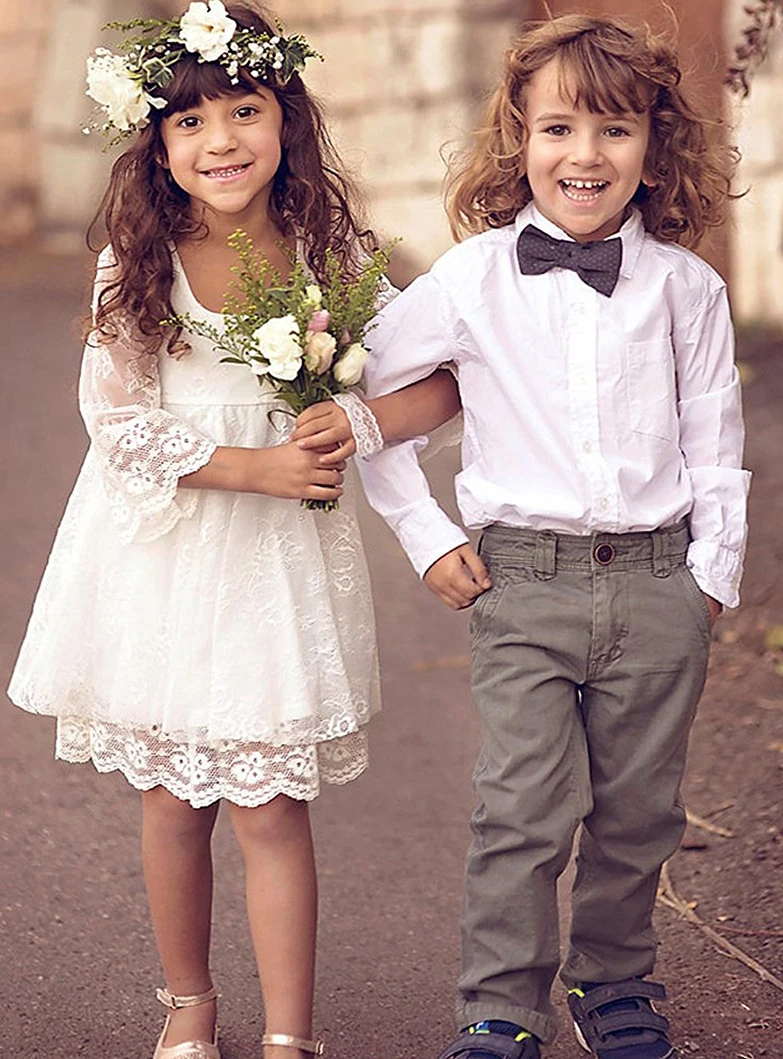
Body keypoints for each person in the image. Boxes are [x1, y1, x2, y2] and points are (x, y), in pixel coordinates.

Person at [6, 4, 459, 1058]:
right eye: (189, 123)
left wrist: (354, 417)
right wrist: (251, 464)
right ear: (155, 148)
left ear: (284, 118)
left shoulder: (330, 254)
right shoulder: (139, 260)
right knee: (175, 800)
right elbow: (115, 423)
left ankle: (288, 1039)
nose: (221, 142)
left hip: (277, 572)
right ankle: (189, 1010)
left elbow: (437, 382)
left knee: (270, 806)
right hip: (167, 554)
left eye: (245, 111)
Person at [296, 13, 750, 1059]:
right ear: (517, 139)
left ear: (652, 146)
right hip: (524, 583)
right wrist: (422, 532)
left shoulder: (687, 290)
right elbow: (361, 398)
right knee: (523, 809)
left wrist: (708, 581)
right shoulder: (469, 281)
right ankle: (499, 1006)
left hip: (655, 582)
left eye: (612, 130)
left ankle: (614, 984)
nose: (582, 156)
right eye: (556, 129)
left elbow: (715, 443)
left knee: (639, 813)